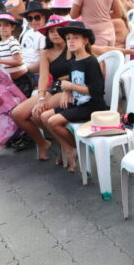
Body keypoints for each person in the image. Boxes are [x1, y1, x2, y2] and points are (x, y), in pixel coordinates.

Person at [40, 21, 108, 172]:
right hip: (78, 102)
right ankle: (71, 147)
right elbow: (72, 81)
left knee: (53, 121)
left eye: (76, 37)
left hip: (92, 106)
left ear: (85, 40)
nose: (71, 41)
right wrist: (66, 92)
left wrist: (71, 87)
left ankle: (77, 146)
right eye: (68, 38)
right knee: (44, 117)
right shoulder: (72, 62)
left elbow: (97, 91)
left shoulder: (91, 61)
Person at [11, 16, 72, 162]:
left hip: (70, 88)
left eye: (58, 30)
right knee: (18, 114)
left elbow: (101, 50)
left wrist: (125, 50)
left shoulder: (74, 46)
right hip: (54, 88)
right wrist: (41, 98)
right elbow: (43, 78)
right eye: (51, 31)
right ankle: (43, 142)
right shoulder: (47, 52)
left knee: (38, 113)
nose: (55, 34)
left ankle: (67, 146)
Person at [19, 1, 52, 74]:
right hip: (22, 69)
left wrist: (25, 71)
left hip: (34, 74)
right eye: (30, 18)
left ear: (43, 17)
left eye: (37, 18)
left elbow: (43, 61)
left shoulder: (45, 35)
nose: (33, 21)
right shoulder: (27, 33)